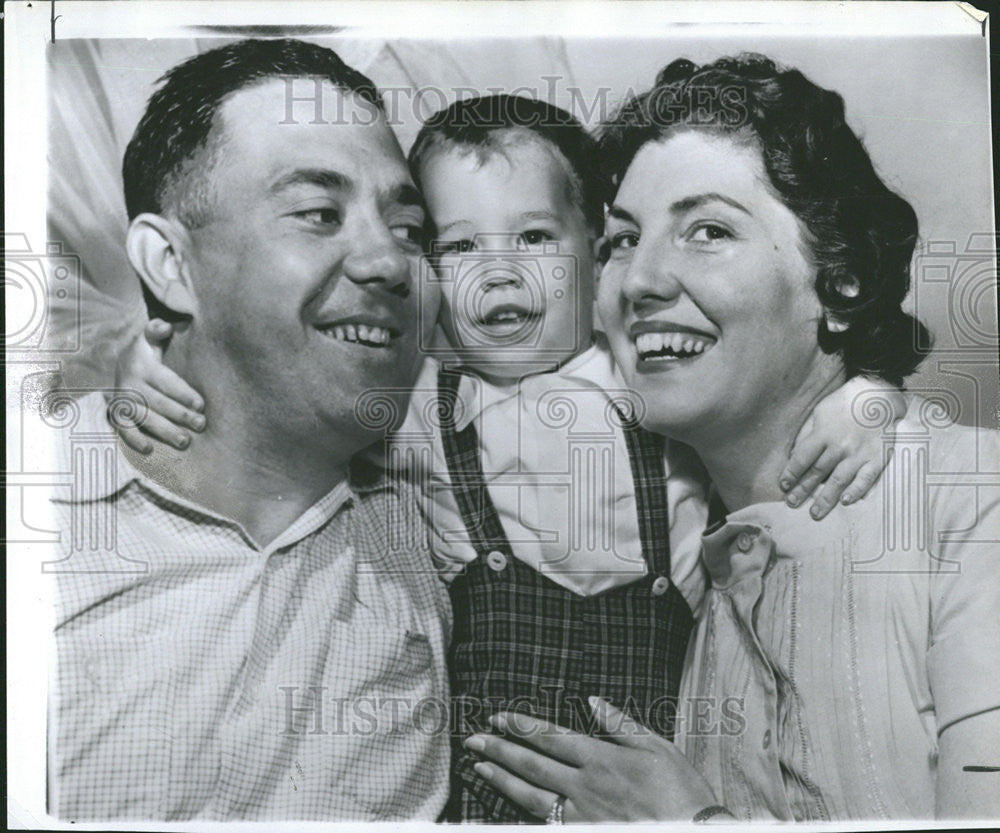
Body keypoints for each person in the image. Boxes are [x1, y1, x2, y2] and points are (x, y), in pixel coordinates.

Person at [114, 89, 906, 822]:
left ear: (599, 252)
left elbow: (784, 383)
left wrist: (869, 400)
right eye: (457, 247)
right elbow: (272, 385)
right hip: (485, 795)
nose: (500, 270)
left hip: (660, 784)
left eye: (533, 237)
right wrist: (149, 356)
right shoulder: (415, 401)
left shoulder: (653, 374)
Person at [461, 55, 1000, 822]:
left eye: (707, 230)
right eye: (619, 240)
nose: (639, 279)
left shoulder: (973, 504)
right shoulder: (690, 581)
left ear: (840, 280)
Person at [48, 39, 451, 821]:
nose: (390, 263)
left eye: (408, 228)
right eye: (317, 214)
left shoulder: (441, 521)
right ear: (170, 265)